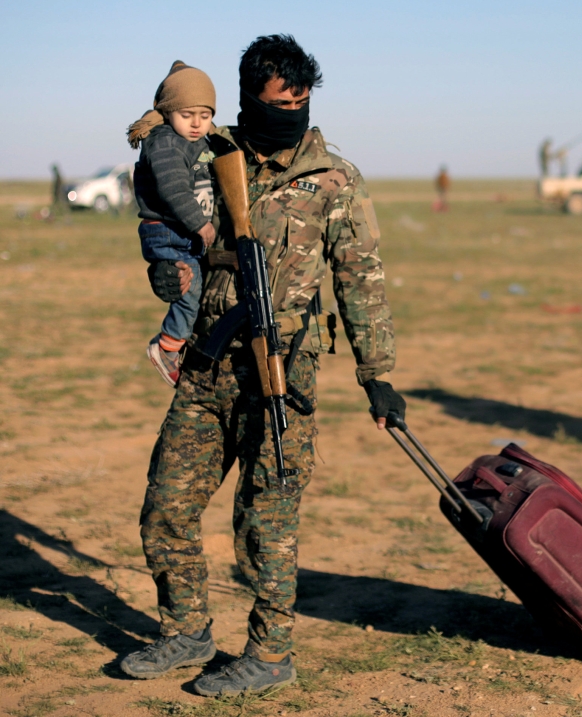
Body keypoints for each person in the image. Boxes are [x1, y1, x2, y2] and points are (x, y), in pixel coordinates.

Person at [119, 35, 406, 696]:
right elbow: (165, 210)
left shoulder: (333, 178)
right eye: (277, 105)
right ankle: (185, 632)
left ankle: (270, 654)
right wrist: (163, 270)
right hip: (207, 364)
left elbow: (360, 279)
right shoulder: (208, 153)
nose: (290, 117)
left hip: (282, 373)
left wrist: (378, 375)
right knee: (165, 506)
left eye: (300, 105)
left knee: (265, 521)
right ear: (248, 100)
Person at [127, 61, 218, 386]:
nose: (196, 123)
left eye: (205, 115)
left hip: (180, 231)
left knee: (195, 287)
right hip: (168, 231)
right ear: (168, 112)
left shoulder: (198, 141)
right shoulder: (165, 143)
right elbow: (174, 189)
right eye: (187, 114)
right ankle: (167, 347)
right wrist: (200, 223)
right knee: (189, 289)